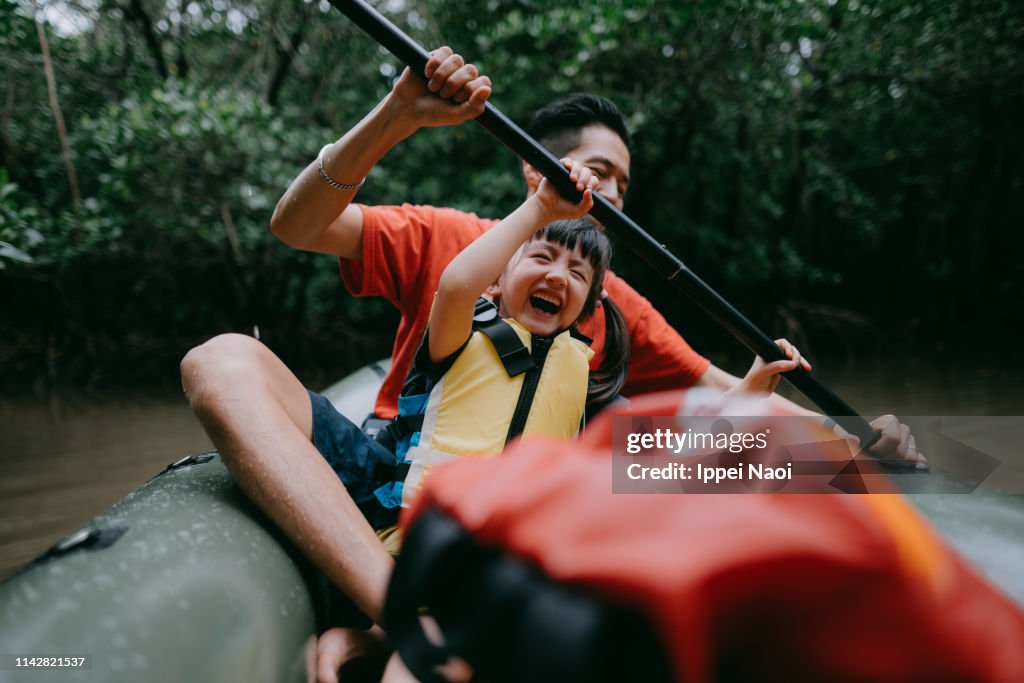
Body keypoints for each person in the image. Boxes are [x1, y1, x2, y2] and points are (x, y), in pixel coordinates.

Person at [180, 48, 920, 682]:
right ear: (535, 168)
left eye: (624, 185)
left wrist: (856, 444)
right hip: (390, 473)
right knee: (220, 361)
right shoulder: (452, 241)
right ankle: (398, 612)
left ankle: (399, 627)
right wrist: (399, 114)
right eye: (599, 171)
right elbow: (295, 225)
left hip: (508, 510)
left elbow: (735, 398)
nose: (613, 198)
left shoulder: (616, 304)